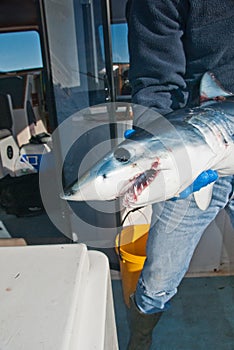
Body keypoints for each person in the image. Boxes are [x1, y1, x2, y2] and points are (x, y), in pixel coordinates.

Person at [125, 1, 234, 349]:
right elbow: (156, 79)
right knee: (159, 275)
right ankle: (140, 337)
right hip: (193, 146)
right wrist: (154, 136)